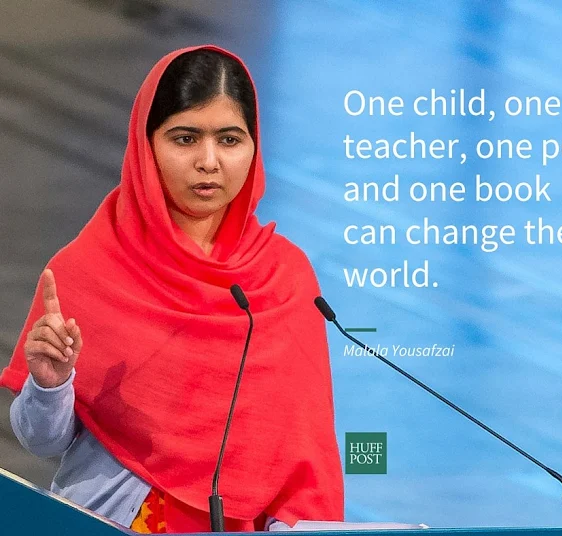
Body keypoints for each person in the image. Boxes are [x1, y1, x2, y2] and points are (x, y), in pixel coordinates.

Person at [0, 45, 344, 533]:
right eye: (185, 139)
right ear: (147, 145)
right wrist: (50, 386)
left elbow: (305, 463)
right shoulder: (85, 269)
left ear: (254, 146)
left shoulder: (286, 279)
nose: (209, 162)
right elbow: (42, 441)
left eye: (230, 140)